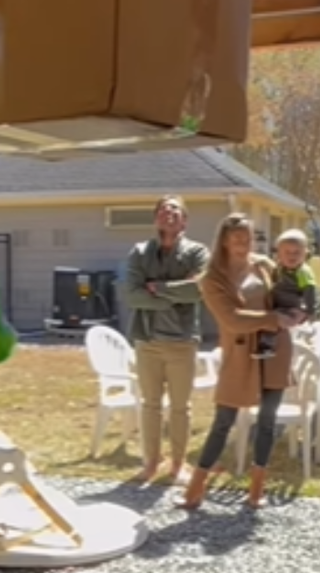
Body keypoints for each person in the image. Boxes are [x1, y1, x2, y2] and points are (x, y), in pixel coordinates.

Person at [175, 213, 300, 509]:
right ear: (224, 241)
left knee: (267, 421)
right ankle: (195, 489)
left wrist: (300, 307)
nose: (244, 242)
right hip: (240, 355)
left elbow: (290, 291)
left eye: (248, 236)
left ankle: (257, 490)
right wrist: (273, 319)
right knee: (223, 421)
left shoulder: (264, 265)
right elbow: (231, 319)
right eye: (237, 237)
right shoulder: (212, 278)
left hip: (274, 351)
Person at [122, 195, 209, 484]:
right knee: (150, 404)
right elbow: (131, 295)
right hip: (147, 341)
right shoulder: (139, 252)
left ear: (184, 220)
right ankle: (150, 462)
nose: (168, 213)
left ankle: (178, 465)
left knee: (180, 407)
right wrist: (171, 297)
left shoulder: (197, 252)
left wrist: (158, 288)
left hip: (182, 342)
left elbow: (199, 290)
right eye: (162, 209)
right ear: (155, 218)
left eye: (175, 209)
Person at [256, 229, 316, 358]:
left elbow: (309, 290)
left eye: (297, 252)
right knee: (267, 320)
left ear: (305, 254)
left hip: (292, 307)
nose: (292, 256)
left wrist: (308, 310)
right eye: (287, 252)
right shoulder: (279, 268)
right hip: (279, 304)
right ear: (279, 254)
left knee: (271, 322)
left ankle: (268, 347)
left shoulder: (303, 271)